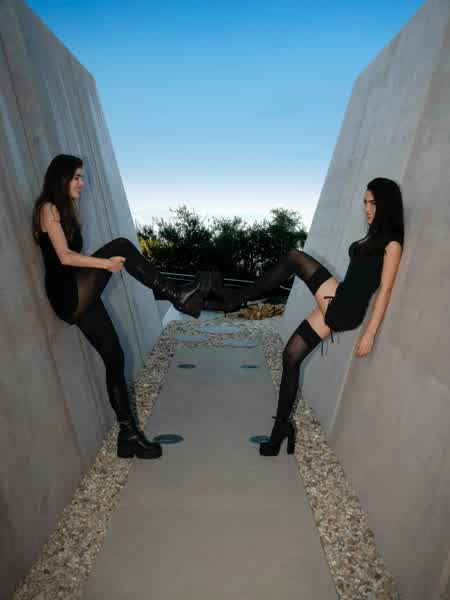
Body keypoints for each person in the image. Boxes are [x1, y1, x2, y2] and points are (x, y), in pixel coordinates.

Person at [206, 178, 404, 456]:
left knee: (295, 258)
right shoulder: (373, 236)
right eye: (365, 202)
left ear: (387, 204)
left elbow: (385, 290)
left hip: (345, 308)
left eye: (373, 203)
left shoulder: (392, 244)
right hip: (339, 299)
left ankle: (234, 299)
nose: (367, 209)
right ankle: (280, 430)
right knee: (290, 356)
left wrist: (370, 334)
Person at [32, 154, 211, 460]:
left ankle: (128, 436)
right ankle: (177, 295)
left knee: (115, 357)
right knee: (121, 246)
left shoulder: (65, 210)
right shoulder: (48, 208)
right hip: (67, 293)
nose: (81, 183)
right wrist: (105, 264)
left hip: (79, 291)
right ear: (61, 178)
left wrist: (101, 267)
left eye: (81, 177)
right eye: (76, 177)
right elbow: (64, 257)